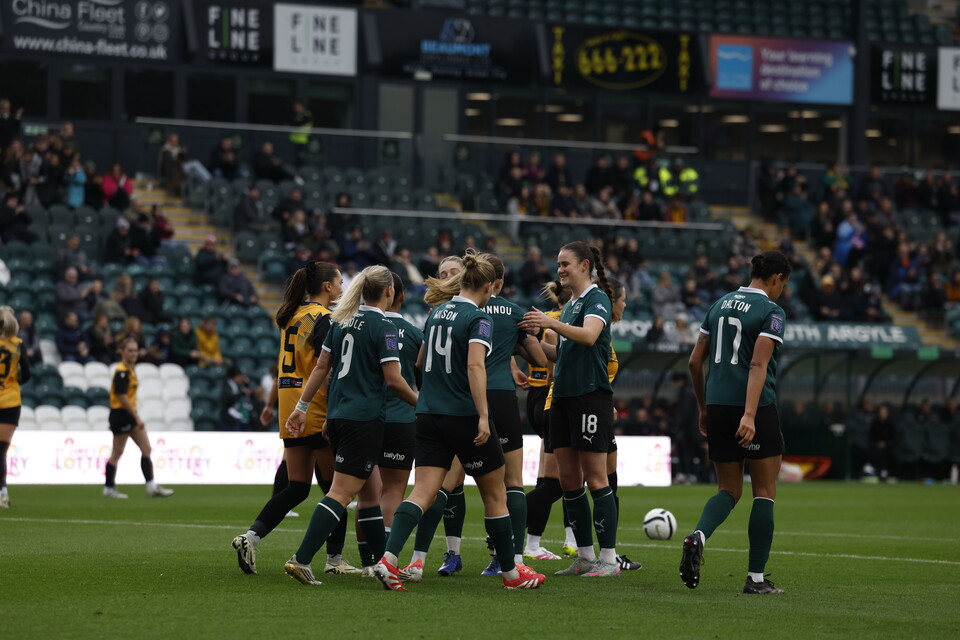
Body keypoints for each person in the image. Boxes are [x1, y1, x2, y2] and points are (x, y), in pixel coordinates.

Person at [371, 252, 545, 591]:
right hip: (462, 415)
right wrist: (482, 415)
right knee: (495, 494)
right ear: (491, 285)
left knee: (422, 492)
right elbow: (475, 367)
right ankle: (511, 574)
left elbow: (420, 362)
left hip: (427, 414)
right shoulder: (478, 318)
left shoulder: (436, 314)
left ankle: (388, 560)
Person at [281, 265, 419, 587]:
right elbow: (393, 380)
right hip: (364, 419)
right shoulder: (383, 326)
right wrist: (421, 404)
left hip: (338, 416)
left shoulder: (341, 321)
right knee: (341, 493)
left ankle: (384, 564)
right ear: (389, 292)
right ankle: (301, 559)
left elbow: (321, 367)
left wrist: (302, 407)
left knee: (371, 494)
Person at [231, 262, 356, 575]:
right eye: (339, 282)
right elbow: (322, 368)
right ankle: (334, 560)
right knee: (335, 488)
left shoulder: (293, 316)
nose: (342, 287)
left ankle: (250, 537)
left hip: (290, 403)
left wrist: (271, 405)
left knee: (297, 487)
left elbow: (283, 368)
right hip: (313, 405)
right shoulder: (325, 318)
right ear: (327, 286)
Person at [682, 250, 791, 595]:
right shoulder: (771, 312)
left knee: (728, 490)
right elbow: (758, 365)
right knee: (765, 492)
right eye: (782, 285)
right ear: (777, 279)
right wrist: (749, 414)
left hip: (716, 404)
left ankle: (698, 535)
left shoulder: (719, 305)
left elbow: (694, 361)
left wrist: (703, 407)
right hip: (754, 407)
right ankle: (756, 580)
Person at [519, 241, 621, 577]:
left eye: (565, 263)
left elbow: (590, 337)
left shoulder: (597, 299)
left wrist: (550, 326)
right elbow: (560, 355)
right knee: (568, 480)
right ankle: (585, 556)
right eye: (558, 263)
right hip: (561, 398)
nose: (560, 269)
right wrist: (530, 340)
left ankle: (609, 559)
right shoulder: (573, 304)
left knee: (595, 477)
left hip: (589, 396)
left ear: (584, 265)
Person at [102, 337, 174, 499]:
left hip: (127, 414)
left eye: (135, 350)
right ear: (122, 352)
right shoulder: (122, 371)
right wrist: (136, 417)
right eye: (130, 350)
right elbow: (121, 396)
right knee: (117, 452)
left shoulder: (130, 370)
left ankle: (151, 487)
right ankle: (108, 488)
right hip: (122, 414)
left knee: (146, 448)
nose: (134, 353)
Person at [0, 307, 30, 508]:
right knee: (1, 451)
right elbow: (26, 374)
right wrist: (13, 382)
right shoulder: (18, 345)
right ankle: (3, 492)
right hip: (10, 401)